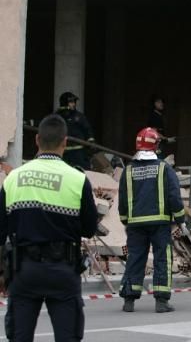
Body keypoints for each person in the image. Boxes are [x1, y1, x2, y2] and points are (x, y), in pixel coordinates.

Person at [0, 114, 98, 341]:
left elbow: (1, 230)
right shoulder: (78, 179)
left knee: (19, 336)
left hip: (24, 271)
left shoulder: (14, 178)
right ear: (65, 141)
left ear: (37, 140)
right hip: (63, 271)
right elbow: (89, 229)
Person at [118, 127, 185, 313]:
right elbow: (174, 196)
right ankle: (161, 302)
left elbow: (122, 198)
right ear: (156, 146)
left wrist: (125, 220)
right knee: (162, 259)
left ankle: (129, 300)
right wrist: (181, 219)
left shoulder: (128, 170)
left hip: (136, 225)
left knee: (135, 259)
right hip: (160, 224)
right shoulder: (164, 168)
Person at [55, 91, 95, 170]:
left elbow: (87, 129)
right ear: (64, 103)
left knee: (82, 172)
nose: (74, 104)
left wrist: (91, 140)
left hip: (78, 152)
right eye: (71, 102)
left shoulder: (79, 116)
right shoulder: (57, 117)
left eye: (74, 102)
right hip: (63, 153)